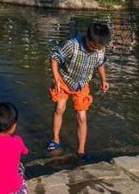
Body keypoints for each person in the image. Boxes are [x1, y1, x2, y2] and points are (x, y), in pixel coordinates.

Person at [47, 21, 111, 157]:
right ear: (87, 37)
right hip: (64, 80)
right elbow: (54, 58)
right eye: (92, 46)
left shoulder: (100, 50)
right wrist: (56, 78)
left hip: (82, 85)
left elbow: (100, 64)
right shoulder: (72, 45)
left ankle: (81, 150)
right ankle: (55, 139)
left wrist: (103, 80)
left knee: (82, 117)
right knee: (59, 108)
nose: (94, 50)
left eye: (98, 48)